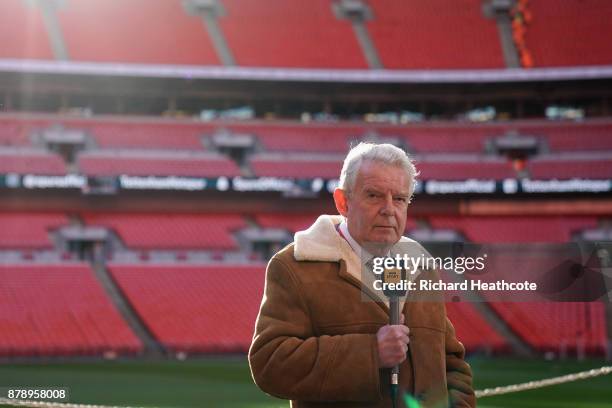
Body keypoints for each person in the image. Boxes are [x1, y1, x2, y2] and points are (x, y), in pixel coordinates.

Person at [249, 143, 475, 407]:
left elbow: (451, 362)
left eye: (400, 199)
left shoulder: (421, 266)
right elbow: (270, 363)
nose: (389, 209)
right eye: (374, 196)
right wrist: (371, 352)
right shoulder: (294, 266)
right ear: (343, 202)